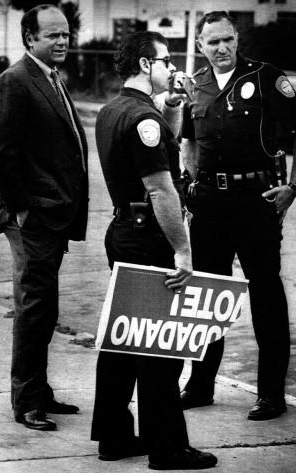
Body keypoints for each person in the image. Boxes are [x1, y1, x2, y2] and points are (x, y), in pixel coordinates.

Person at [178, 11, 296, 421]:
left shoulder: (264, 78)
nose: (221, 49)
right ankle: (200, 384)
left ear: (237, 40)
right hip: (208, 205)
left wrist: (293, 187)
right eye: (212, 42)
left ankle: (270, 394)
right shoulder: (197, 86)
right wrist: (189, 182)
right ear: (200, 46)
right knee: (206, 297)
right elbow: (188, 138)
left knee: (266, 296)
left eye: (227, 40)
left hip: (256, 202)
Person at [90, 31, 218, 470]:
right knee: (161, 350)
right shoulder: (142, 118)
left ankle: (114, 435)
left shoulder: (115, 110)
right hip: (150, 239)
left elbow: (160, 141)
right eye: (165, 61)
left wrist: (174, 106)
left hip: (125, 230)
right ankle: (168, 448)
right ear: (146, 65)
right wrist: (182, 251)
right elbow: (162, 189)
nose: (172, 69)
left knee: (123, 342)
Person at [0, 4, 88, 431]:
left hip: (53, 216)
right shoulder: (14, 82)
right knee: (33, 309)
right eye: (52, 36)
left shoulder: (50, 77)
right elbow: (0, 154)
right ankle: (26, 402)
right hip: (33, 219)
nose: (62, 42)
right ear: (30, 38)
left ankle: (40, 391)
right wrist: (22, 207)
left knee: (44, 310)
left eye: (65, 35)